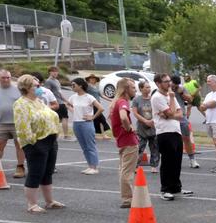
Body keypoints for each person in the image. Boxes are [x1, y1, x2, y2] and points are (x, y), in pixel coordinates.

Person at [12, 75, 64, 213]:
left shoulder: (39, 101)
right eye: (36, 86)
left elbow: (50, 116)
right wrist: (33, 142)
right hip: (36, 143)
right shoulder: (21, 104)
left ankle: (49, 201)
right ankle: (32, 204)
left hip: (50, 140)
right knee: (36, 173)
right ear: (27, 87)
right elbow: (22, 127)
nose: (40, 88)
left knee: (47, 172)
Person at [151, 73, 190, 201]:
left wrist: (170, 113)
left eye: (169, 81)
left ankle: (176, 187)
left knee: (177, 161)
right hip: (164, 132)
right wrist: (172, 100)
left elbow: (180, 114)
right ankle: (165, 189)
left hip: (176, 130)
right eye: (166, 81)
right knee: (168, 161)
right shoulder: (157, 97)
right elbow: (172, 112)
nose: (169, 83)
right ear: (158, 83)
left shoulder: (169, 95)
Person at [0, 71, 25, 178]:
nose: (6, 80)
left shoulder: (19, 89)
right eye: (3, 78)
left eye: (8, 77)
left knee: (19, 146)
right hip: (1, 124)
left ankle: (20, 167)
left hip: (18, 123)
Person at [110, 78, 139, 208]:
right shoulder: (123, 102)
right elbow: (123, 117)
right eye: (133, 88)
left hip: (122, 141)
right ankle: (128, 199)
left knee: (123, 170)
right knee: (127, 171)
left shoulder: (116, 101)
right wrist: (128, 128)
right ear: (126, 89)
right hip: (128, 141)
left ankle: (127, 197)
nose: (135, 90)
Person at [67, 77, 103, 175]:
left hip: (86, 124)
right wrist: (73, 111)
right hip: (76, 123)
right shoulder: (73, 97)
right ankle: (90, 166)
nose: (72, 87)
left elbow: (100, 108)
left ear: (80, 86)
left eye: (74, 85)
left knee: (90, 145)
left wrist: (92, 117)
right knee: (84, 147)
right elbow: (68, 104)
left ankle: (94, 167)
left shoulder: (89, 97)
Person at [172, 74, 199, 169]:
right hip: (171, 117)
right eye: (173, 85)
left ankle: (192, 160)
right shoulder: (166, 89)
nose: (174, 87)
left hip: (181, 117)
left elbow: (190, 99)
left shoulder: (181, 88)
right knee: (172, 140)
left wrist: (182, 93)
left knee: (186, 138)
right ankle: (173, 160)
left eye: (176, 85)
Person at [131, 80, 158, 173]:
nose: (148, 89)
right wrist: (145, 121)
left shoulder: (153, 98)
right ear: (141, 89)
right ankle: (136, 166)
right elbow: (135, 112)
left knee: (154, 147)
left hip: (153, 126)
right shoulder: (136, 99)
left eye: (149, 87)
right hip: (142, 128)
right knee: (139, 147)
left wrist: (153, 121)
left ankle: (154, 166)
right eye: (146, 87)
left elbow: (157, 111)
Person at [44, 66, 71, 141]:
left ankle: (61, 135)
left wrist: (67, 101)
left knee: (62, 118)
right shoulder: (48, 81)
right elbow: (47, 93)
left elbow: (60, 93)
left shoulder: (57, 81)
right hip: (54, 103)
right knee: (59, 119)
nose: (55, 73)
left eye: (56, 71)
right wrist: (49, 103)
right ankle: (64, 135)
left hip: (61, 102)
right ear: (49, 72)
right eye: (53, 71)